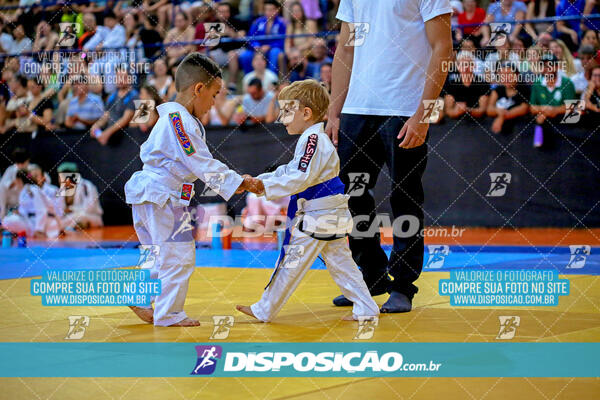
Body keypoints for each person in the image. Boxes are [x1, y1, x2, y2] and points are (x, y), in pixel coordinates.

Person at [326, 0, 452, 313]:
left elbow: (443, 48)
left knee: (405, 199)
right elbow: (345, 49)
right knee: (351, 197)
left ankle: (403, 285)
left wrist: (423, 115)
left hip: (404, 107)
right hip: (357, 108)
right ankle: (372, 274)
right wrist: (334, 111)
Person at [124, 53, 256, 327]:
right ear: (199, 89)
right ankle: (169, 313)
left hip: (152, 195)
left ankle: (138, 295)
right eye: (214, 93)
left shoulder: (176, 118)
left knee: (157, 252)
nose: (214, 102)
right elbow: (201, 163)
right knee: (178, 253)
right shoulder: (178, 120)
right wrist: (237, 182)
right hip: (162, 195)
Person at [235, 79, 379, 322]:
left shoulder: (314, 140)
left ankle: (264, 309)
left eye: (287, 111)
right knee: (341, 262)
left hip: (318, 216)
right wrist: (259, 182)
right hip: (330, 213)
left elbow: (300, 177)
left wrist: (262, 186)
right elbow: (291, 170)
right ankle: (366, 307)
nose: (283, 118)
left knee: (291, 262)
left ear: (306, 112)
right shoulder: (313, 140)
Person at [530, 54, 577, 147]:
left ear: (557, 67)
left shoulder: (567, 82)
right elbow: (532, 107)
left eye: (550, 65)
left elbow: (571, 107)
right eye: (544, 66)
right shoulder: (537, 83)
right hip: (544, 125)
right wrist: (545, 109)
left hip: (564, 129)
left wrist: (553, 110)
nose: (547, 68)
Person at [1, 169, 61, 239]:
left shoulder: (32, 190)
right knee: (8, 220)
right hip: (32, 221)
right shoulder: (26, 190)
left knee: (8, 221)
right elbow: (28, 210)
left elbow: (42, 210)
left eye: (15, 180)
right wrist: (19, 212)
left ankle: (36, 232)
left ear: (19, 180)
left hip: (43, 224)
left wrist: (39, 230)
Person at [90, 66, 138, 145]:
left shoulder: (134, 96)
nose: (120, 80)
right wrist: (96, 125)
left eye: (123, 77)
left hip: (127, 139)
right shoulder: (112, 96)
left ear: (130, 79)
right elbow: (106, 116)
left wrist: (107, 133)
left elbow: (125, 120)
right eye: (118, 77)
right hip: (112, 138)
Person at [57, 162, 104, 230]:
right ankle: (72, 227)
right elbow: (60, 210)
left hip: (91, 216)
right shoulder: (63, 190)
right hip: (71, 217)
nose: (59, 179)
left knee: (81, 217)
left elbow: (90, 208)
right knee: (57, 222)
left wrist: (71, 209)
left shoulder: (86, 186)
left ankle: (73, 227)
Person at [486, 62, 530, 133]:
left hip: (519, 132)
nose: (506, 78)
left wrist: (502, 117)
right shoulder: (498, 90)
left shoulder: (524, 89)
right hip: (497, 132)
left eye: (509, 74)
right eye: (502, 75)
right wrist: (498, 111)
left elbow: (523, 109)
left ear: (517, 75)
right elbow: (489, 109)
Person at [0, 148, 30, 220]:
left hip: (29, 208)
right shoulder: (11, 171)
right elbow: (2, 191)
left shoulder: (31, 169)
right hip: (13, 209)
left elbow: (45, 181)